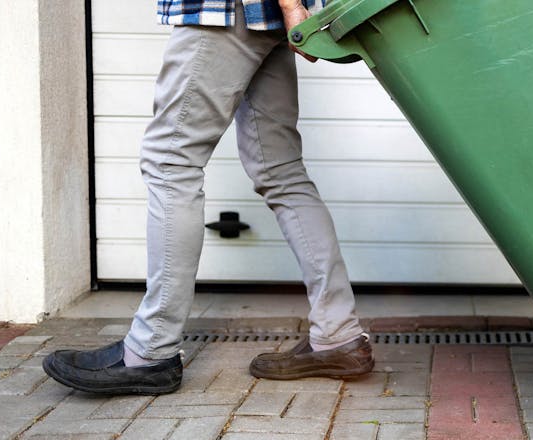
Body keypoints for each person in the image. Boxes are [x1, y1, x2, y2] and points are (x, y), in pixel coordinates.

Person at [42, 0, 373, 395]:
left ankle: (150, 351)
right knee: (281, 171)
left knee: (171, 162)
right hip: (260, 18)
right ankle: (338, 334)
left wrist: (288, 4)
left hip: (225, 12)